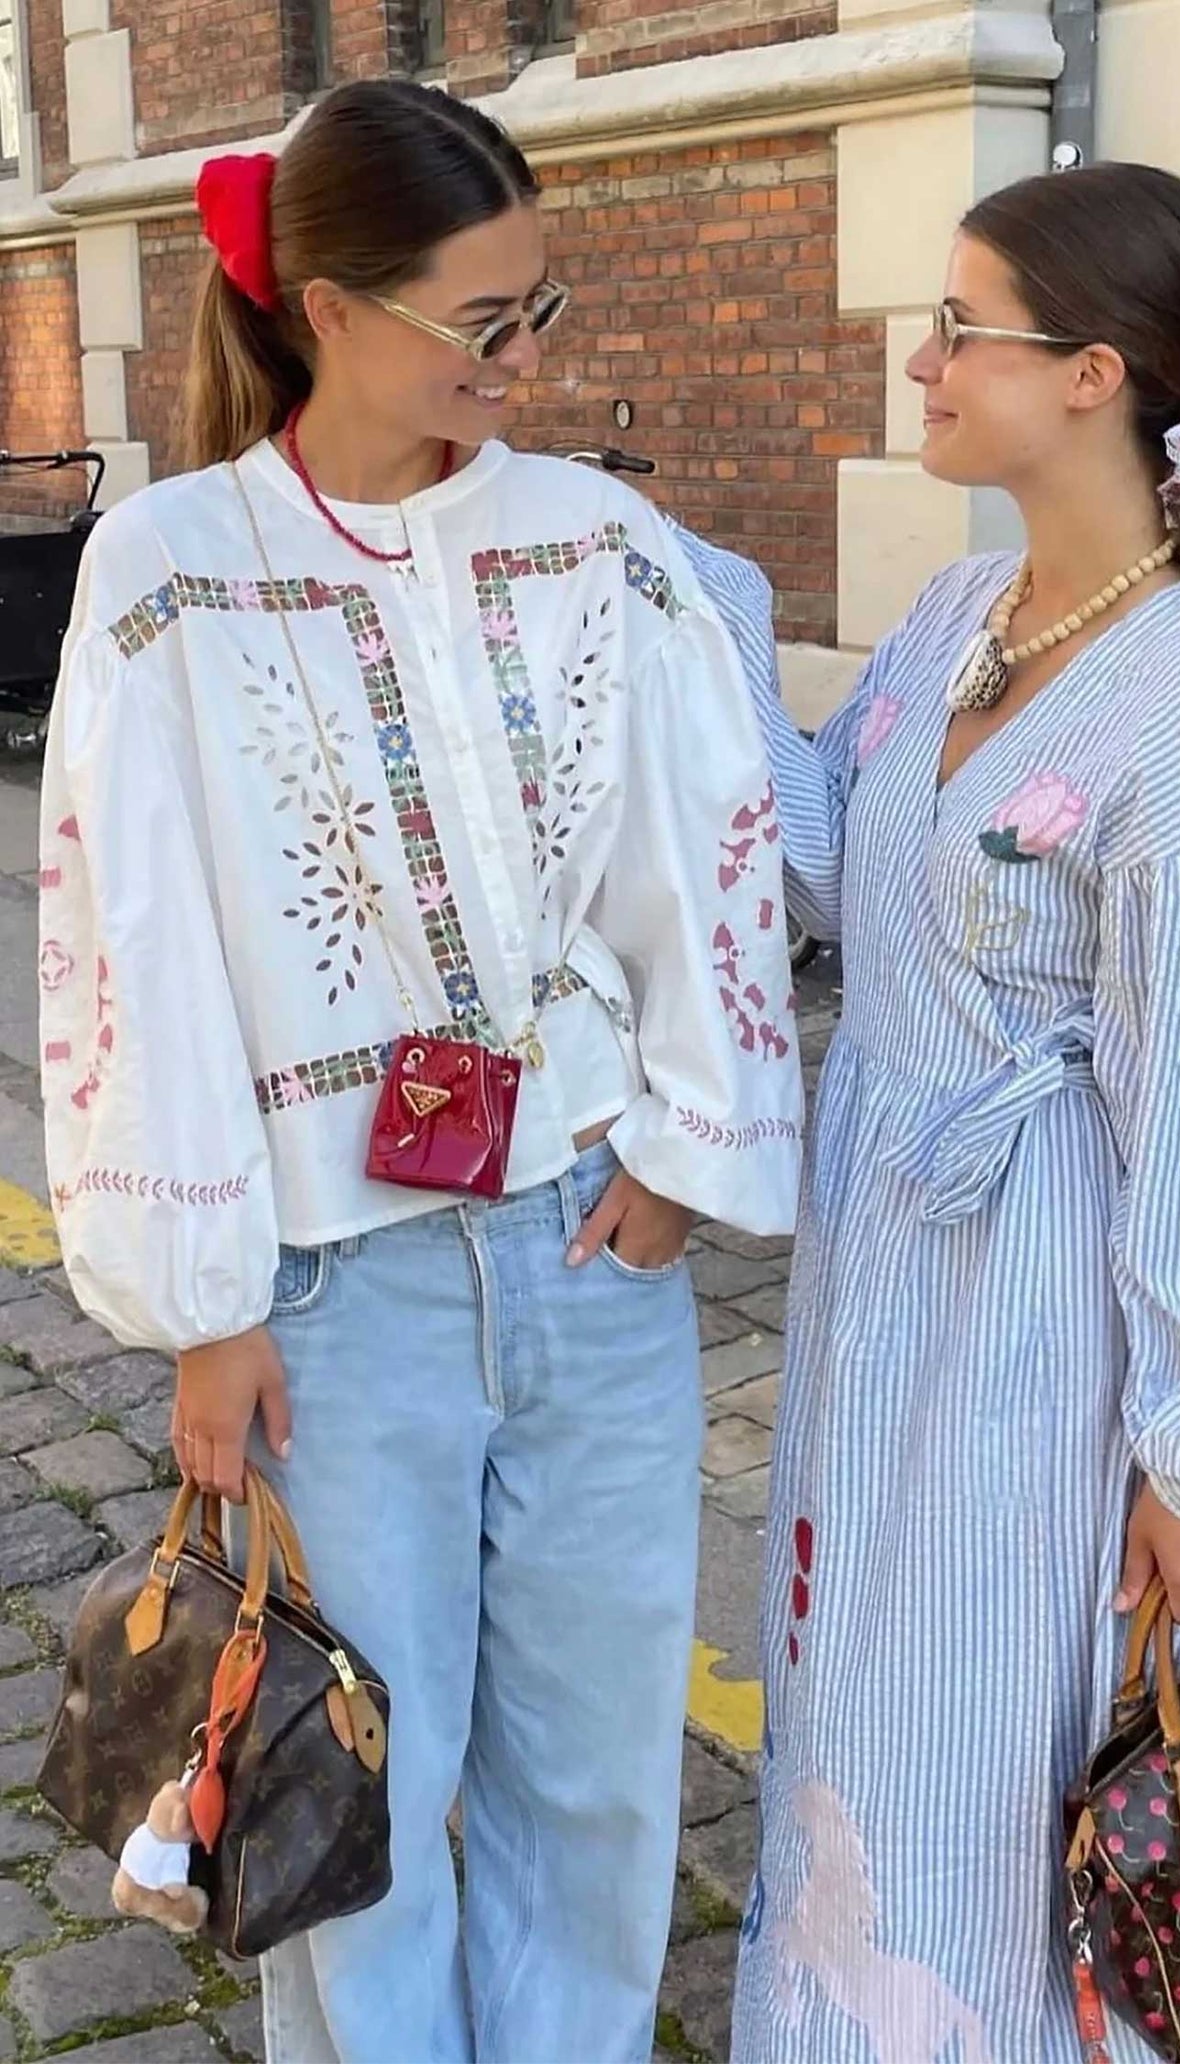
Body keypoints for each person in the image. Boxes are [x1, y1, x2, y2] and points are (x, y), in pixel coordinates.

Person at [38, 79, 803, 2064]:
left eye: (541, 307)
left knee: (601, 1767)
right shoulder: (169, 570)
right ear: (330, 307)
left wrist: (687, 1146)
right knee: (357, 1786)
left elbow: (703, 841)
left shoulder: (597, 541)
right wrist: (206, 1307)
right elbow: (136, 939)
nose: (527, 357)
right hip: (332, 1293)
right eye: (486, 319)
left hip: (589, 1252)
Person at [729, 162, 1180, 2063]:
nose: (918, 361)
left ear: (1093, 373)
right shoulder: (962, 615)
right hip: (891, 1310)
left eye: (959, 328)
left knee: (1036, 1751)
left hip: (1058, 1341)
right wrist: (702, 619)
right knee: (881, 1709)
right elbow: (836, 856)